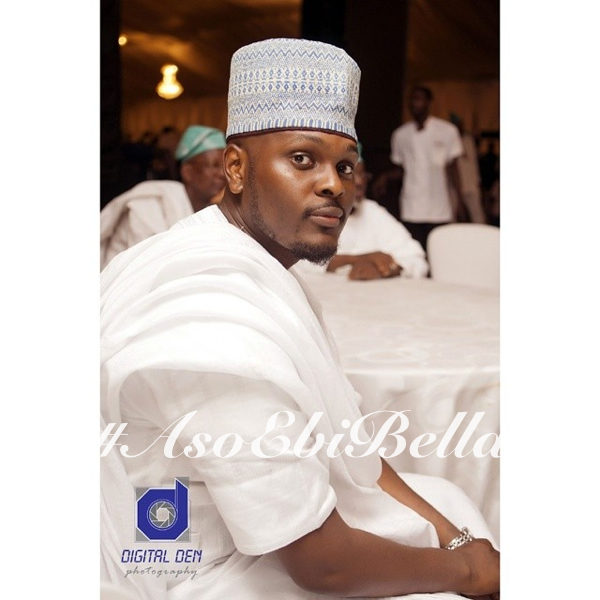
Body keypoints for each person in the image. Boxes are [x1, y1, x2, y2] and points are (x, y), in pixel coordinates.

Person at [101, 38, 499, 600]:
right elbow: (323, 566)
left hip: (258, 531)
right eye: (302, 159)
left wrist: (454, 541)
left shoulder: (251, 262)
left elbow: (352, 450)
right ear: (235, 168)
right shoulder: (212, 323)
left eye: (345, 165)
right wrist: (469, 571)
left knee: (451, 505)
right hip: (189, 566)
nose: (335, 183)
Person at [100, 126, 226, 269]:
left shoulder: (212, 213)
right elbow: (146, 268)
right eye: (215, 166)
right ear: (187, 172)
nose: (223, 174)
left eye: (225, 166)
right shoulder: (149, 203)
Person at [299, 146, 428, 280]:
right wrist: (355, 260)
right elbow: (298, 262)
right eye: (349, 173)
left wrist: (385, 268)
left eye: (362, 175)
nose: (359, 182)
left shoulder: (373, 211)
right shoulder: (310, 213)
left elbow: (416, 259)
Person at [373, 86, 465, 252]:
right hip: (412, 206)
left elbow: (453, 170)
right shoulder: (400, 135)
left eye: (418, 99)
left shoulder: (447, 131)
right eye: (412, 99)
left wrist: (459, 200)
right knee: (415, 250)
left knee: (438, 251)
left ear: (428, 102)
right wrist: (385, 177)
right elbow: (402, 169)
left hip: (439, 207)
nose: (413, 103)